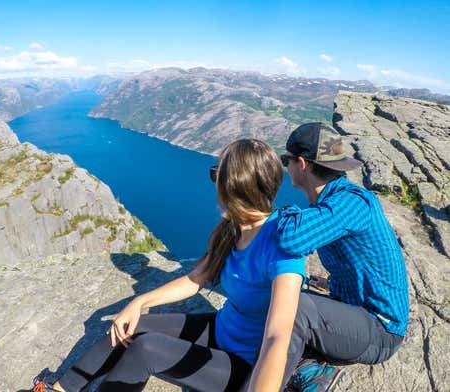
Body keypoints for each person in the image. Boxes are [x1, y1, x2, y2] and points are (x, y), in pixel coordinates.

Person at [32, 139, 306, 392]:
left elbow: (277, 338)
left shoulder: (283, 246)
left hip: (243, 366)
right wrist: (138, 303)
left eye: (216, 175)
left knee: (146, 348)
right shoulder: (232, 229)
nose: (214, 185)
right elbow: (196, 278)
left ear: (234, 185)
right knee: (133, 325)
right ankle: (62, 388)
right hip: (222, 331)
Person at [277, 123, 410, 391]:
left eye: (286, 161)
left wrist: (274, 208)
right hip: (355, 314)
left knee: (290, 305)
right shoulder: (334, 200)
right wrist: (331, 285)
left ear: (302, 163)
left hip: (381, 332)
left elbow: (292, 238)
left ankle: (307, 375)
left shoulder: (351, 203)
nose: (285, 166)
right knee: (271, 296)